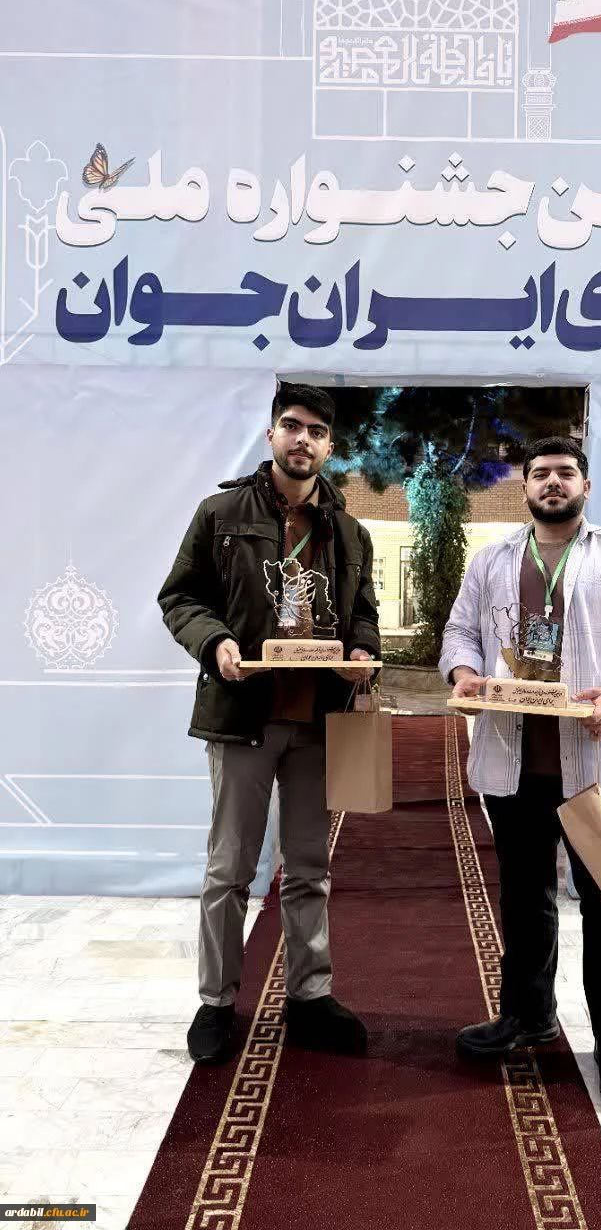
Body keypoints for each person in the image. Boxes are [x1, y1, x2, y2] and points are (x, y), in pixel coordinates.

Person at [439, 436, 601, 1110]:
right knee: (524, 896)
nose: (553, 482)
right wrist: (464, 672)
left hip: (594, 767)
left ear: (586, 486)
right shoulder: (492, 561)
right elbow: (459, 633)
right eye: (541, 473)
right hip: (512, 762)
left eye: (565, 473)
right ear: (524, 486)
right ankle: (527, 1015)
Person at [158, 383, 380, 1064]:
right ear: (271, 435)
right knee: (229, 869)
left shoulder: (350, 533)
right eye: (291, 425)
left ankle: (310, 996)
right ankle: (216, 1002)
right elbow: (180, 597)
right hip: (243, 717)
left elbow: (364, 614)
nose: (301, 439)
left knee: (309, 867)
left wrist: (362, 653)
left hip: (317, 723)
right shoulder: (221, 513)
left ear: (330, 447)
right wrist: (215, 642)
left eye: (316, 431)